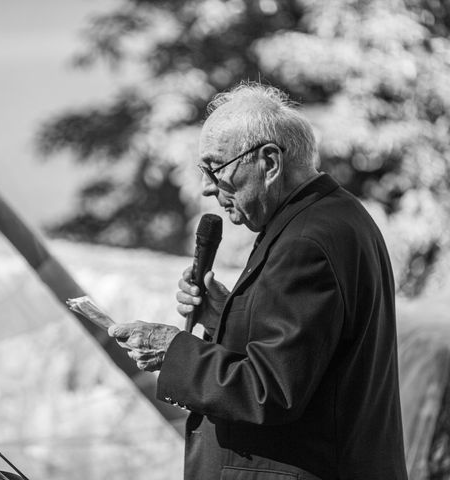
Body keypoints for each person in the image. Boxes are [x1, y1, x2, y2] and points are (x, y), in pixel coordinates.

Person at [108, 82, 408, 479]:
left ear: (269, 163)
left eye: (216, 167)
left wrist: (172, 349)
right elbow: (306, 357)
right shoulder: (333, 217)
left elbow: (271, 391)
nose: (207, 187)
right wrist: (224, 319)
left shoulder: (306, 241)